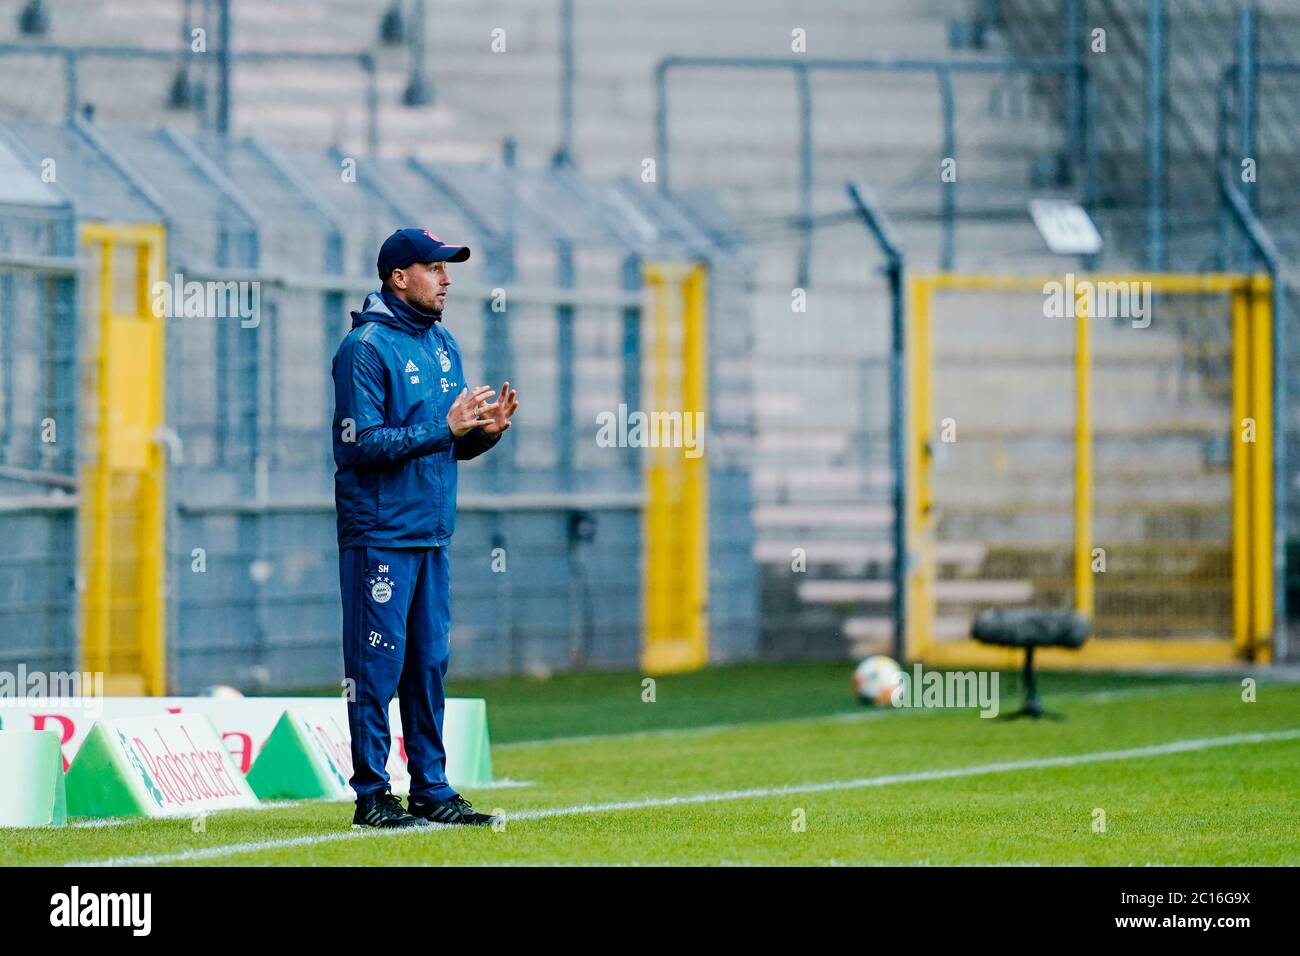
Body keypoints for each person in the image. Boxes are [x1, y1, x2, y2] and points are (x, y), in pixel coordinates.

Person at [331, 228, 519, 828]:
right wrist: (448, 425)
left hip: (432, 533)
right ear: (398, 278)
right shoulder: (364, 348)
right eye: (434, 267)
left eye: (448, 267)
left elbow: (443, 445)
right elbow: (361, 443)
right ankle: (371, 796)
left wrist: (480, 435)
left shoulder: (444, 344)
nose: (446, 278)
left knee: (429, 662)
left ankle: (432, 791)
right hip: (380, 534)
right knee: (375, 667)